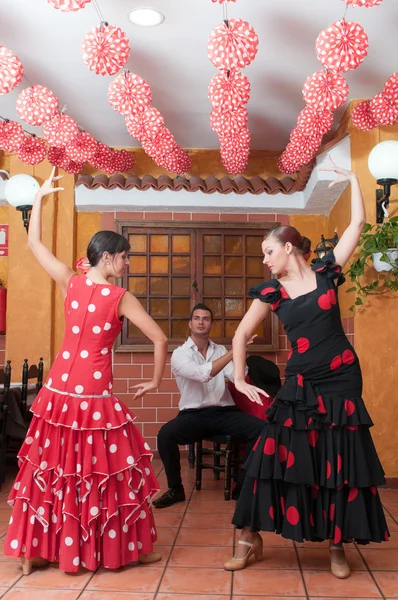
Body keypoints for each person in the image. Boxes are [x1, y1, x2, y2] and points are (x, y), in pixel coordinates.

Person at [224, 158, 389, 578]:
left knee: (340, 460)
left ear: (289, 248)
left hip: (342, 378)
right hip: (299, 384)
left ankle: (337, 546)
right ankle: (248, 537)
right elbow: (240, 336)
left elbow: (356, 226)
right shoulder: (271, 293)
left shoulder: (327, 271)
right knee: (268, 457)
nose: (265, 260)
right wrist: (240, 377)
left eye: (268, 252)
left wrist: (354, 180)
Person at [4, 168, 168, 574]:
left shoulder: (70, 281)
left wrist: (39, 201)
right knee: (105, 476)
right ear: (109, 257)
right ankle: (124, 548)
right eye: (125, 257)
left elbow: (35, 242)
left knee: (51, 471)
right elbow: (161, 339)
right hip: (93, 398)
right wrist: (155, 380)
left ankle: (36, 550)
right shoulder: (120, 297)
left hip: (58, 395)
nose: (128, 264)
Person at [153, 303, 265, 509]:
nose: (201, 322)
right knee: (165, 435)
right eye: (197, 318)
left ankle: (242, 486)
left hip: (225, 412)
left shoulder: (220, 350)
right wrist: (235, 350)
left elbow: (236, 375)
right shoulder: (180, 354)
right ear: (190, 324)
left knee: (262, 429)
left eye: (206, 319)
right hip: (193, 415)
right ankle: (175, 489)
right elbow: (203, 375)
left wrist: (240, 353)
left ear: (211, 324)